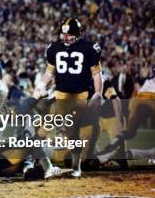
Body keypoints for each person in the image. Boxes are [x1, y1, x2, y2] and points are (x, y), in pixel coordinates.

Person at [34, 18, 103, 178]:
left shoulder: (89, 48)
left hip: (79, 95)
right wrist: (40, 86)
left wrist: (98, 92)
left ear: (77, 35)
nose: (65, 38)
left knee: (71, 132)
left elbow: (96, 73)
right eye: (63, 34)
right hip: (60, 95)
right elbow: (49, 72)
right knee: (41, 132)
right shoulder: (54, 48)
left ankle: (76, 168)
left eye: (69, 35)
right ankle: (48, 168)